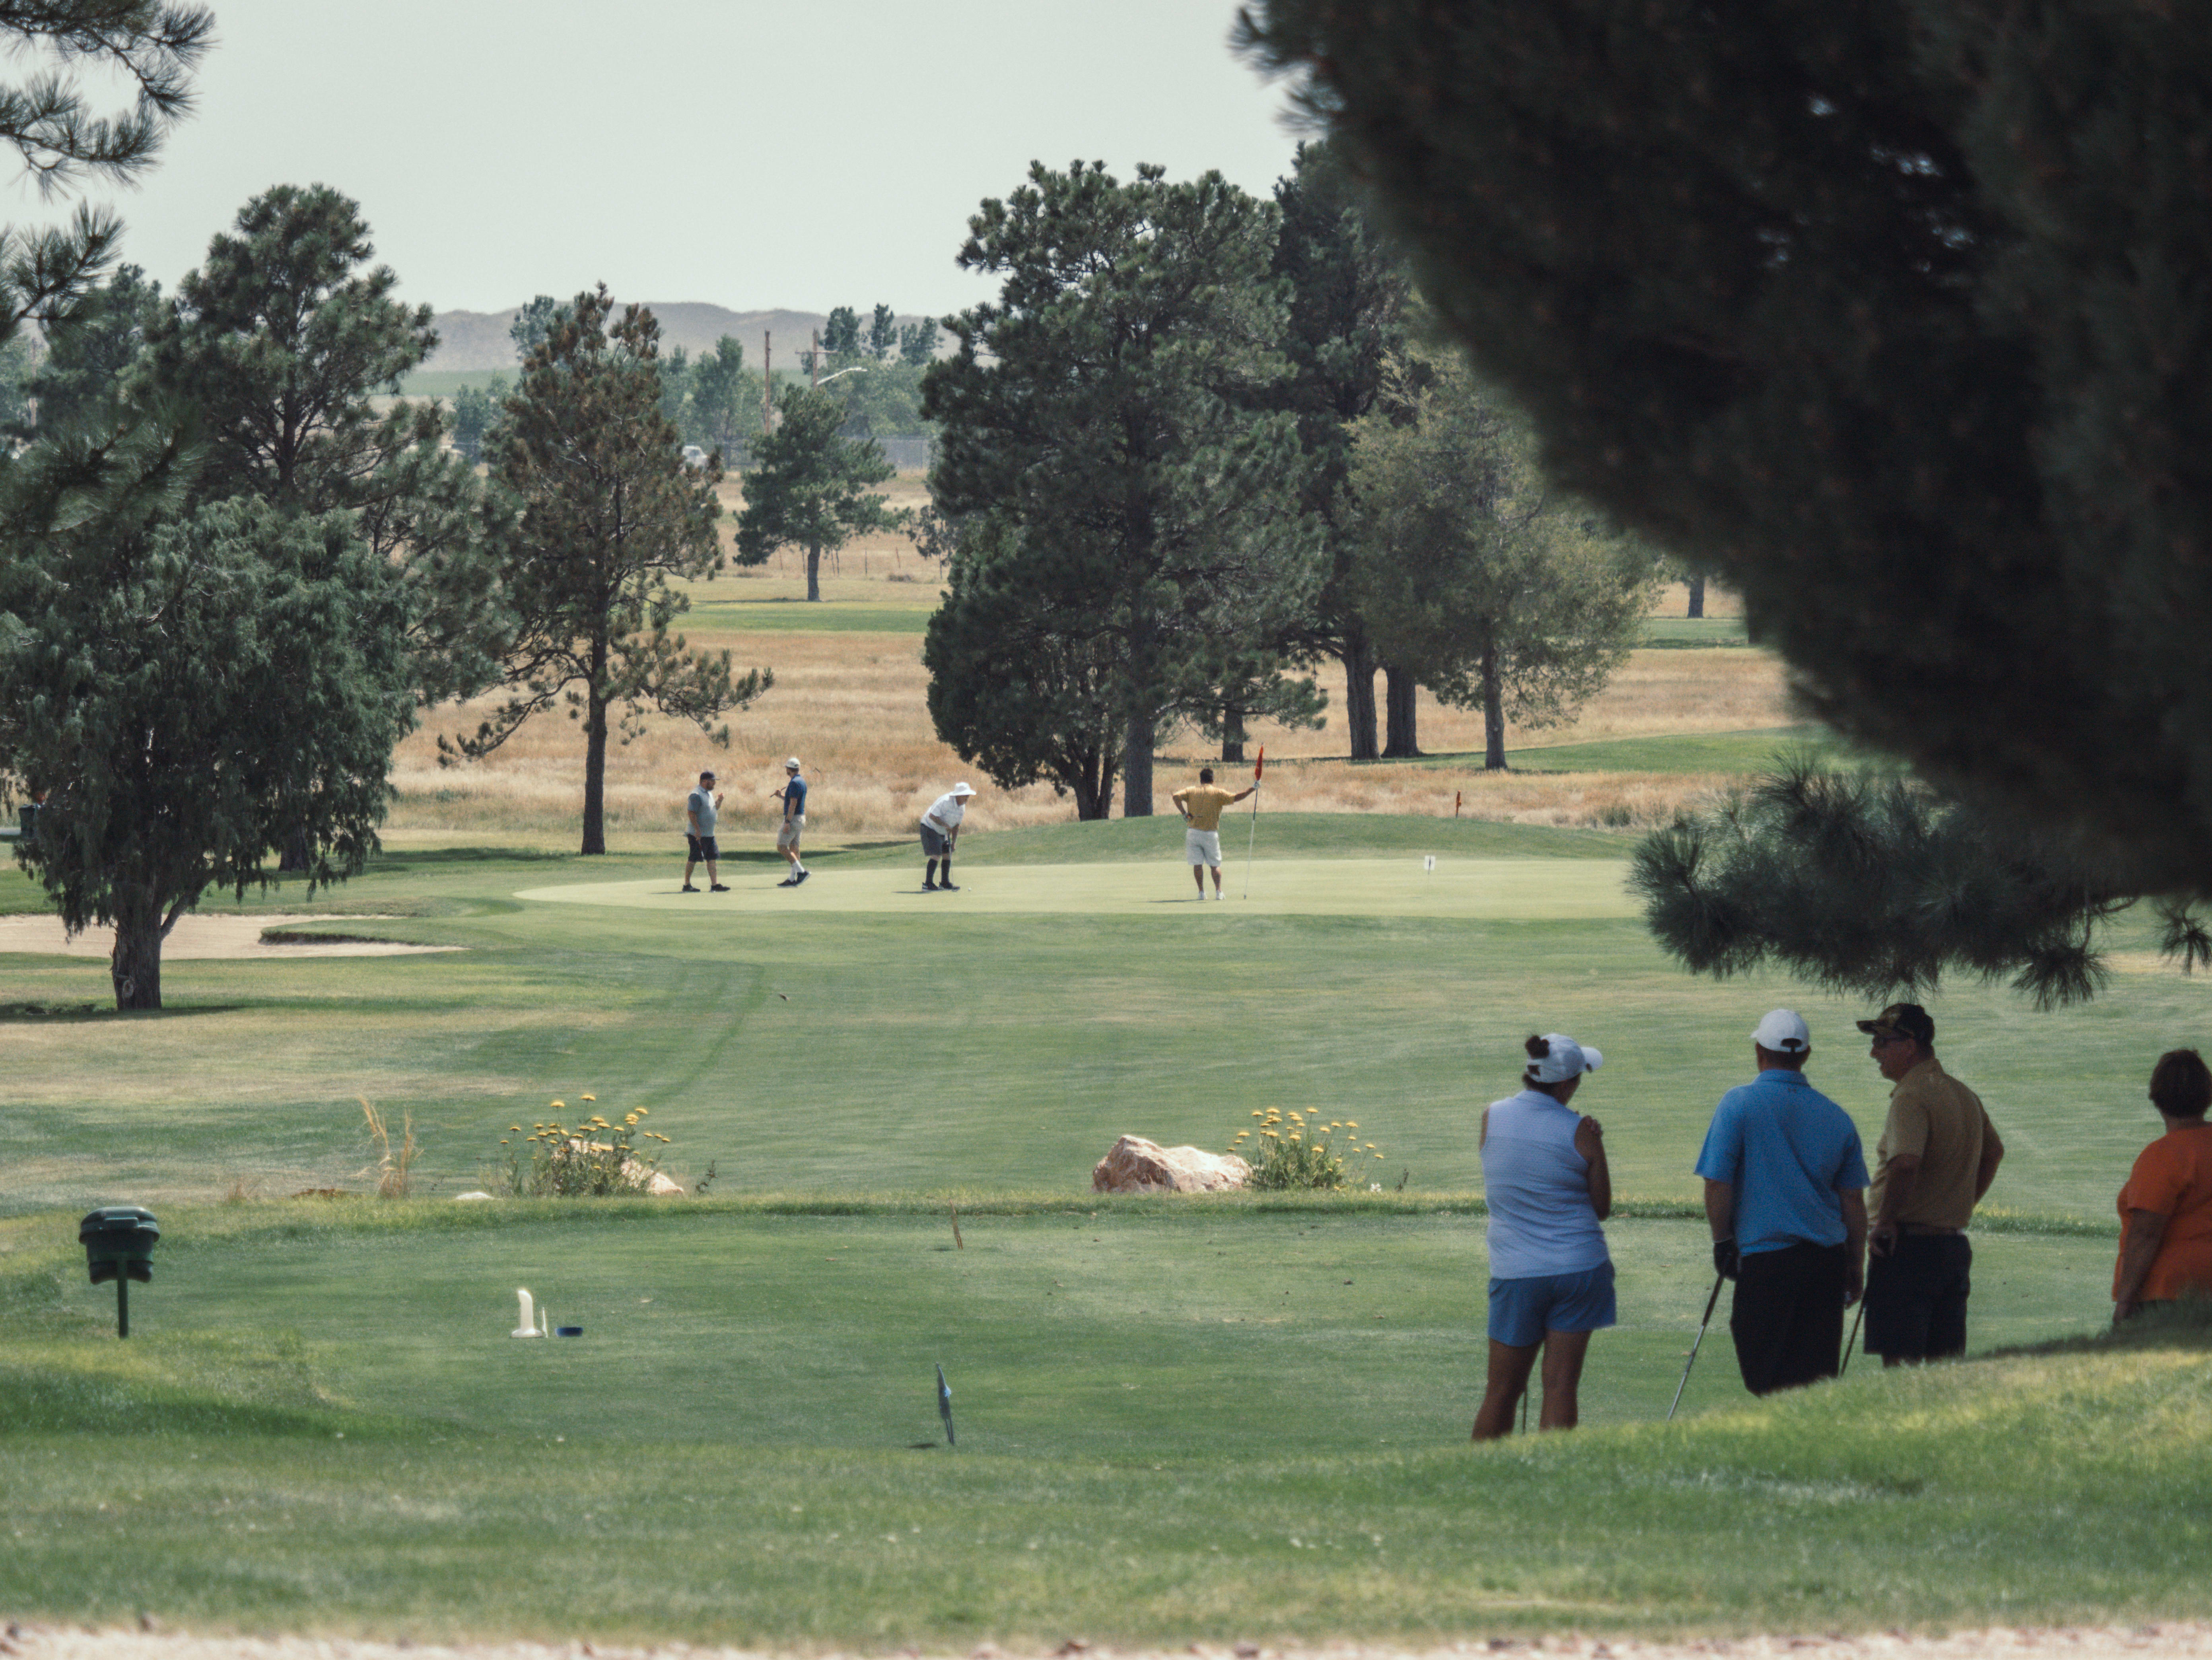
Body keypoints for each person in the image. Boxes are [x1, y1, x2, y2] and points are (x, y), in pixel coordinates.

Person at [1695, 1009, 1870, 1395]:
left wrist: (1722, 1241)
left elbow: (1717, 1181)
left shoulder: (1738, 1103)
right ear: (1806, 1055)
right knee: (1814, 1384)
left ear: (1759, 1051)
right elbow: (1853, 1201)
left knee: (1767, 1379)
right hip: (1825, 1264)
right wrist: (1855, 1263)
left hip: (1767, 1263)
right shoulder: (1836, 1116)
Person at [1473, 1032, 1614, 1440]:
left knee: (1502, 1390)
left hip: (1517, 1271)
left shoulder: (1491, 1116)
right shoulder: (1582, 1131)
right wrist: (1593, 1141)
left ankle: (1479, 1473)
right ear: (1566, 1084)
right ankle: (1555, 1475)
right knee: (1561, 1385)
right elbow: (1602, 1206)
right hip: (1579, 1268)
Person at [1857, 1002, 2004, 1365]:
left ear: (1909, 1045)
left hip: (1907, 1251)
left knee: (1903, 1374)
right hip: (1951, 1250)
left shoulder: (1911, 1095)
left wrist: (1886, 1222)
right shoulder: (1963, 1093)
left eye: (1882, 1042)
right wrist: (1960, 1204)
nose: (1874, 1052)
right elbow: (1995, 1152)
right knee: (1944, 1372)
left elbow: (1906, 1162)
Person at [2112, 1048, 2212, 1324]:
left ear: (2158, 1098)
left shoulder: (2162, 1156)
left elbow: (2145, 1234)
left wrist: (2124, 1302)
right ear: (2207, 1095)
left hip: (2169, 1291)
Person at [1169, 767, 1255, 899]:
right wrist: (1252, 789)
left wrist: (1184, 813)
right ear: (1212, 780)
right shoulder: (1217, 792)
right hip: (1210, 834)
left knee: (1197, 864)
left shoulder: (1191, 791)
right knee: (1215, 865)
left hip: (1193, 833)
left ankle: (1201, 893)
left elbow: (1176, 796)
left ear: (1201, 780)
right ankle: (1219, 892)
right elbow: (1237, 797)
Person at [919, 782, 976, 891]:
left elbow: (956, 826)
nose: (967, 799)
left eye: (968, 796)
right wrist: (945, 825)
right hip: (930, 827)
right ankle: (928, 884)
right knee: (937, 854)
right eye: (965, 796)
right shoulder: (945, 802)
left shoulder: (962, 808)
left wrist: (954, 843)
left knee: (947, 854)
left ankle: (945, 883)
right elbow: (932, 816)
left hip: (943, 831)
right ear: (959, 795)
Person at [682, 771, 727, 893]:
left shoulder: (709, 794)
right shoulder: (696, 795)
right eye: (712, 781)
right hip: (697, 835)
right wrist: (697, 829)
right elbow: (691, 813)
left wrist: (720, 801)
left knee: (712, 858)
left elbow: (715, 808)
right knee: (694, 858)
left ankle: (715, 885)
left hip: (709, 834)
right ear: (704, 782)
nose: (714, 783)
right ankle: (687, 885)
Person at [774, 758, 810, 887]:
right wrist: (780, 796)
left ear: (789, 769)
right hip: (800, 818)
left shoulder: (794, 783)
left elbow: (793, 805)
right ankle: (792, 879)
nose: (786, 770)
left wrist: (788, 822)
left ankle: (802, 872)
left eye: (786, 768)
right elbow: (792, 801)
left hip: (794, 819)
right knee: (794, 848)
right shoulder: (800, 781)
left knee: (781, 846)